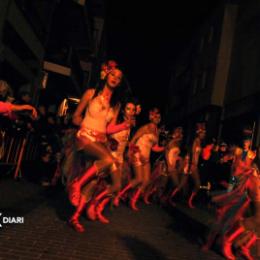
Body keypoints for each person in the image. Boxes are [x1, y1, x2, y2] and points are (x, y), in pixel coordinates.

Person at [67, 60, 132, 232]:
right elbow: (75, 117)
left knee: (101, 182)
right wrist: (86, 127)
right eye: (113, 74)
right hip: (85, 137)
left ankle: (75, 217)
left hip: (100, 142)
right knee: (108, 159)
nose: (115, 78)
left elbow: (109, 128)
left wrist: (124, 126)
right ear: (106, 75)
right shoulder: (90, 93)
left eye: (119, 78)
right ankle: (76, 184)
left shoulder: (115, 105)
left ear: (119, 83)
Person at [113, 107, 164, 211]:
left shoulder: (157, 131)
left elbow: (154, 147)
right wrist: (136, 153)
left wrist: (165, 147)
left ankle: (133, 200)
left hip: (147, 157)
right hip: (137, 154)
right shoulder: (145, 127)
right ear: (151, 117)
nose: (158, 118)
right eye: (156, 115)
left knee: (146, 181)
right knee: (139, 179)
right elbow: (132, 141)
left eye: (159, 116)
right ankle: (118, 195)